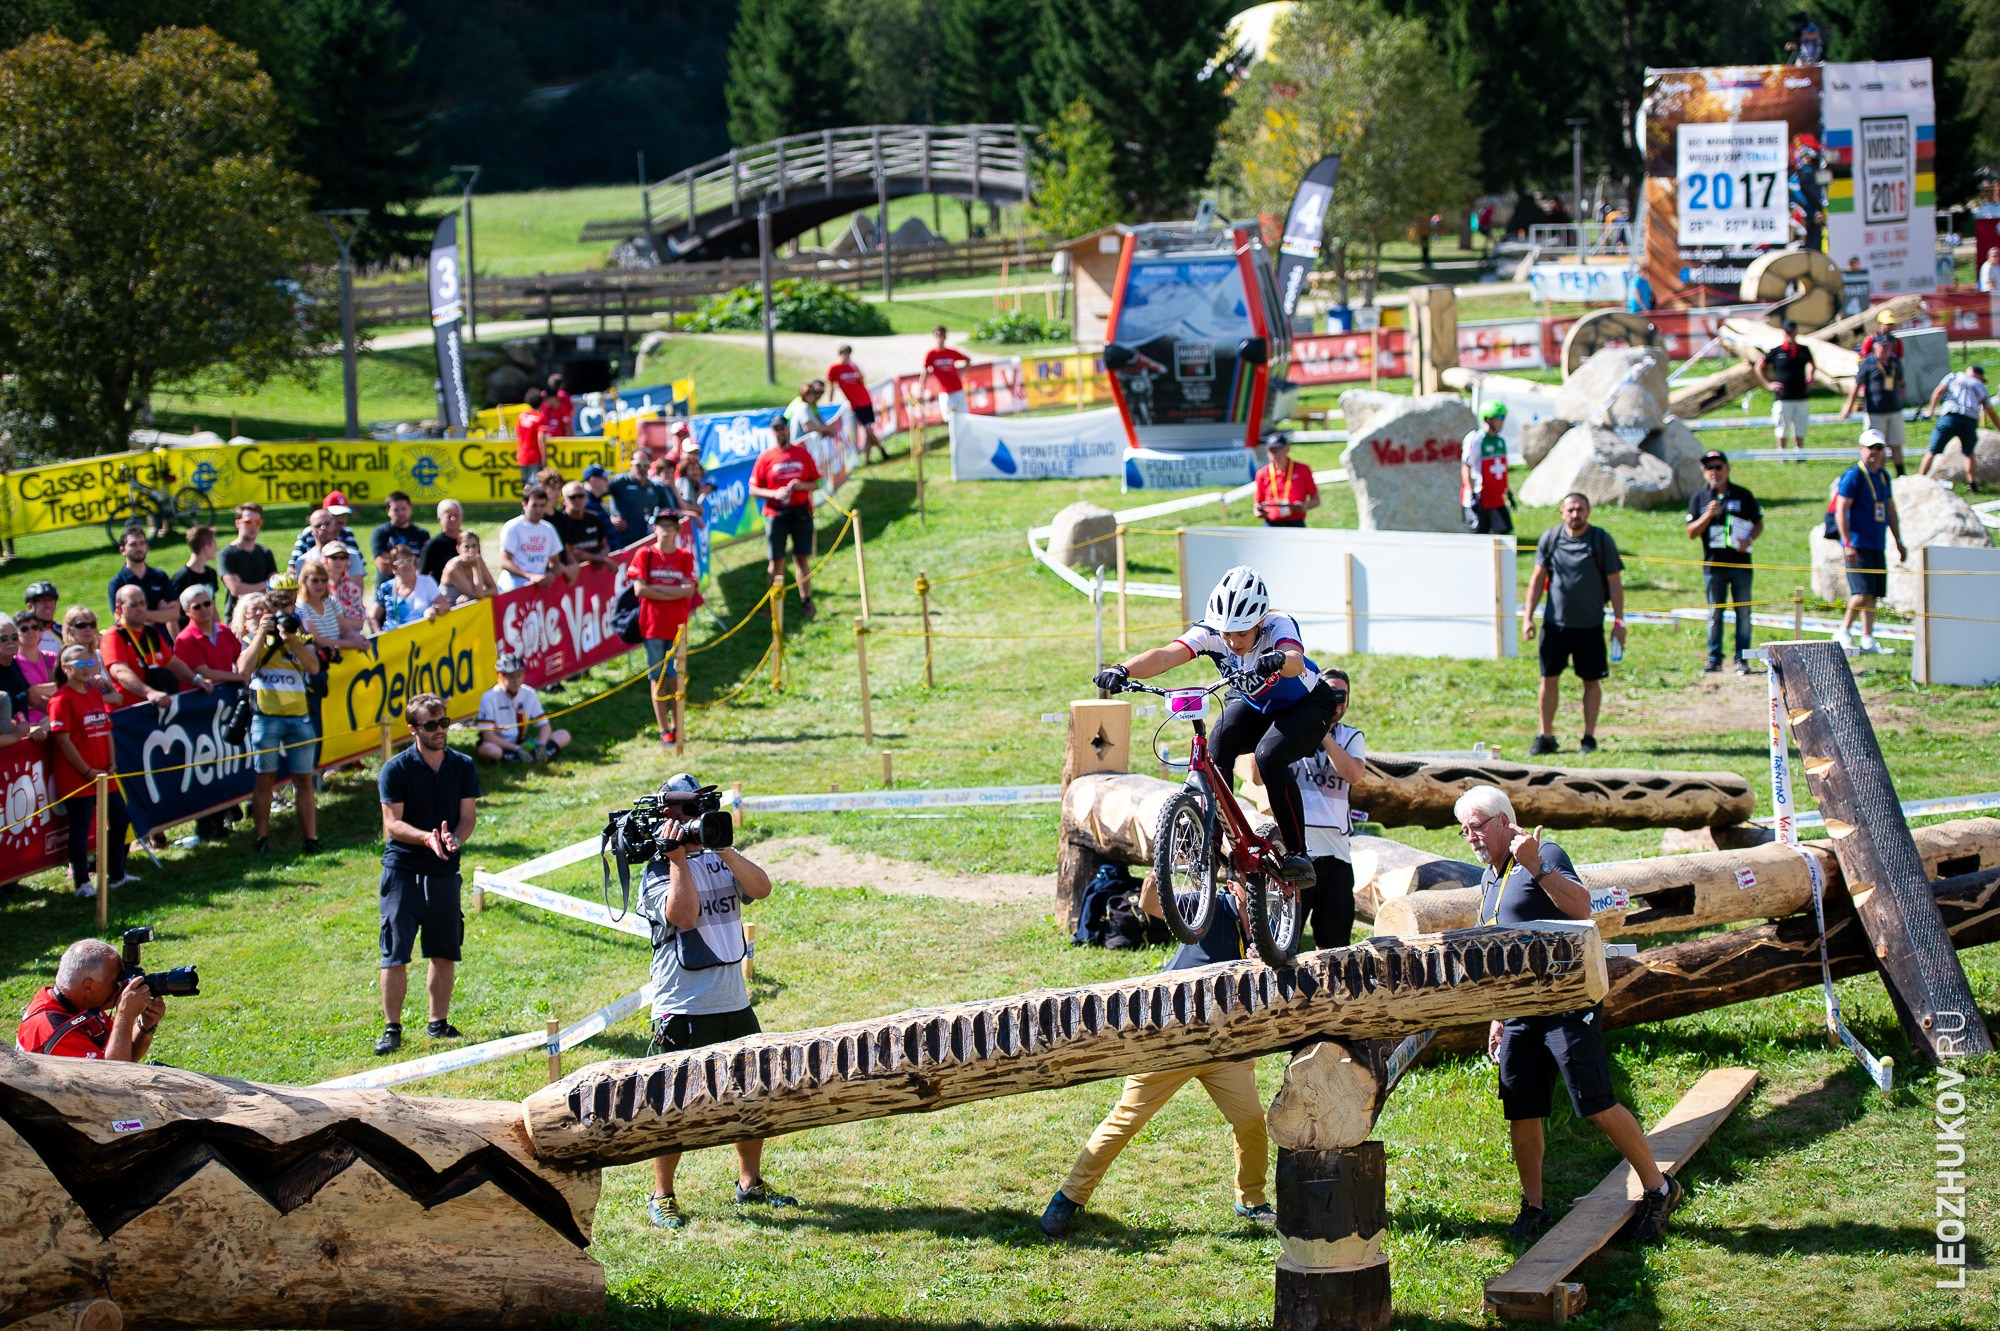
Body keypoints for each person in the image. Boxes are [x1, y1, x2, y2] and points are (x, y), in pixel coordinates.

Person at [1455, 785, 1683, 1245]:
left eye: (1476, 826)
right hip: (1520, 1010)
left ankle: (1659, 1189)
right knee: (1522, 1108)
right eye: (1463, 831)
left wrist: (1535, 864)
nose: (1470, 837)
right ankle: (1534, 1206)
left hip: (1566, 1004)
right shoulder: (1489, 878)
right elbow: (1498, 950)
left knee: (1595, 1101)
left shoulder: (1544, 852)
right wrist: (1497, 1016)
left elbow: (1582, 908)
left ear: (1503, 821)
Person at [1040, 881, 1274, 1239]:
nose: (1264, 893)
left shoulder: (1273, 926)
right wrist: (1162, 861)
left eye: (1269, 884)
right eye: (1255, 884)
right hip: (1171, 1036)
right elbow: (1151, 902)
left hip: (1224, 1046)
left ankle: (1252, 1200)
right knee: (1126, 1119)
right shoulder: (1206, 905)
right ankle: (1068, 1197)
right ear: (1234, 885)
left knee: (1252, 1121)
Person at [1095, 566, 1337, 885]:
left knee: (1269, 756)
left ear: (1260, 622)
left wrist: (1279, 660)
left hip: (1306, 705)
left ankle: (1297, 853)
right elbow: (1166, 656)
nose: (1233, 641)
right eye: (1227, 634)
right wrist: (1123, 670)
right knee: (1219, 742)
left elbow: (1293, 658)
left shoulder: (1279, 624)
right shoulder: (1212, 631)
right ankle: (1210, 842)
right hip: (1255, 703)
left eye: (1242, 633)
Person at [634, 772, 793, 1229]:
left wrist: (722, 846)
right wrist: (679, 859)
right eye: (688, 810)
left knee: (754, 1093)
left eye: (701, 808)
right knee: (674, 1106)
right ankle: (662, 1194)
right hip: (682, 1006)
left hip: (733, 1002)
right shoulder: (658, 869)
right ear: (668, 814)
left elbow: (761, 888)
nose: (696, 818)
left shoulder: (722, 857)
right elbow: (683, 916)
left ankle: (750, 1184)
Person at [376, 693, 479, 1055]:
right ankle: (392, 1028)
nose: (440, 730)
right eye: (431, 725)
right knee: (395, 952)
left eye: (444, 723)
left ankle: (438, 1022)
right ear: (412, 729)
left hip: (444, 871)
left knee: (444, 950)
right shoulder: (396, 769)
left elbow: (468, 817)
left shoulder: (463, 765)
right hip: (402, 870)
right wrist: (426, 838)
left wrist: (455, 838)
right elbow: (392, 824)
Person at [1522, 494, 1624, 757]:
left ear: (1588, 511)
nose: (1575, 514)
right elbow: (1537, 580)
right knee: (1548, 680)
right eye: (1570, 510)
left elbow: (1614, 582)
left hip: (1589, 626)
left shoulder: (1601, 540)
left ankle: (1588, 738)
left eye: (1580, 509)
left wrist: (1619, 621)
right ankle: (1545, 736)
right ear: (1561, 513)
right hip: (1555, 626)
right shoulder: (1551, 539)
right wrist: (1528, 617)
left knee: (1591, 681)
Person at [235, 573, 321, 856]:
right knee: (265, 779)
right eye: (278, 600)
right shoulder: (253, 635)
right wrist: (262, 633)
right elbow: (243, 669)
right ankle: (261, 838)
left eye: (289, 598)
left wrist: (292, 640)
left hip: (298, 715)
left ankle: (311, 839)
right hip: (266, 716)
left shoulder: (300, 633)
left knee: (304, 779)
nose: (284, 605)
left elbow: (314, 668)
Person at [47, 645, 135, 897]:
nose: (87, 670)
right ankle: (83, 884)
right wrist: (86, 771)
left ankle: (116, 874)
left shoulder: (94, 694)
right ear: (66, 668)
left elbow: (106, 728)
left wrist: (112, 762)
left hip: (105, 773)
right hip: (80, 777)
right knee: (81, 828)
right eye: (80, 665)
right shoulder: (61, 699)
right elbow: (63, 740)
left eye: (90, 664)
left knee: (120, 818)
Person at [1288, 668, 1364, 950]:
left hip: (1337, 856)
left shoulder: (1350, 736)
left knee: (1335, 947)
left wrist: (1323, 731)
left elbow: (1353, 774)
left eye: (1340, 696)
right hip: (1297, 852)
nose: (1335, 701)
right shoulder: (1290, 729)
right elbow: (1255, 775)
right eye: (1328, 693)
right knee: (1288, 943)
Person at [172, 584, 247, 843]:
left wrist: (241, 673)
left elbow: (240, 656)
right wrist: (239, 677)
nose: (205, 609)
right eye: (197, 606)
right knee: (207, 766)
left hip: (227, 708)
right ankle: (206, 824)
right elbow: (206, 672)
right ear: (186, 611)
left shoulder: (224, 632)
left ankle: (228, 810)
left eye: (207, 603)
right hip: (201, 713)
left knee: (229, 759)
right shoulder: (186, 639)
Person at [14, 939, 165, 1061]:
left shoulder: (76, 1003)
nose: (122, 987)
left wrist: (145, 1026)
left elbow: (124, 1053)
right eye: (116, 981)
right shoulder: (56, 1032)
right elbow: (114, 1082)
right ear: (88, 986)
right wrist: (124, 1015)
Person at [1685, 451, 1764, 675]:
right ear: (1704, 472)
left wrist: (1748, 539)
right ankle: (1714, 659)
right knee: (1714, 614)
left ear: (1727, 469)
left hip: (1740, 565)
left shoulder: (1743, 494)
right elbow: (1691, 532)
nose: (1714, 472)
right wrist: (1707, 516)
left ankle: (1742, 660)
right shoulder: (1699, 498)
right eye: (1709, 468)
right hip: (1713, 566)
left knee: (1744, 614)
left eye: (1718, 467)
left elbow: (1758, 522)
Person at [627, 510, 700, 746]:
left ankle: (679, 727)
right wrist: (675, 592)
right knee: (657, 677)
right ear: (654, 529)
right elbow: (640, 590)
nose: (665, 530)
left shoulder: (685, 556)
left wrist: (658, 591)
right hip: (652, 626)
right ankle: (663, 730)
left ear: (677, 530)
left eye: (670, 525)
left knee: (676, 677)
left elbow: (689, 591)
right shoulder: (644, 555)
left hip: (678, 626)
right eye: (661, 525)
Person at [1832, 429, 1907, 655]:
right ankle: (1843, 631)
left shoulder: (1884, 476)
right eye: (1870, 447)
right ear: (1861, 449)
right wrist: (1847, 543)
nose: (1874, 452)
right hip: (1858, 543)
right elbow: (1841, 510)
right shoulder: (1854, 475)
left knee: (1873, 594)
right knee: (1861, 593)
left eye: (1879, 448)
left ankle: (1868, 637)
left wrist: (1898, 540)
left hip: (1877, 543)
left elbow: (1890, 510)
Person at [748, 414, 821, 621]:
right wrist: (774, 494)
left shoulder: (802, 453)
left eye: (783, 428)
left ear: (788, 429)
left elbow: (817, 483)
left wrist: (800, 486)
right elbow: (753, 489)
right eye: (776, 429)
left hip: (801, 512)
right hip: (776, 514)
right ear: (773, 432)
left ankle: (806, 601)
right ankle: (772, 606)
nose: (780, 432)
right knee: (776, 561)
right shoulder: (765, 458)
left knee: (801, 559)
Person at [103, 584, 202, 709]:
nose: (140, 608)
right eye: (133, 605)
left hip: (157, 707)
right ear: (119, 609)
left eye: (142, 603)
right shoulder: (113, 636)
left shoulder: (151, 632)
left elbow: (172, 663)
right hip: (129, 713)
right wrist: (149, 692)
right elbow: (119, 671)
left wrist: (196, 680)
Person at [475, 652, 569, 762]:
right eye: (510, 677)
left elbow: (544, 726)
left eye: (519, 676)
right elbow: (488, 736)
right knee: (489, 750)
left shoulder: (529, 693)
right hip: (498, 745)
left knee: (564, 735)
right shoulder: (488, 698)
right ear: (500, 676)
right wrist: (517, 748)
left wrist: (541, 745)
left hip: (521, 743)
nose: (515, 681)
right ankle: (523, 756)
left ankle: (534, 755)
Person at [1842, 325, 1909, 475]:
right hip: (1875, 411)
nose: (1886, 350)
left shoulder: (1895, 361)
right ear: (1876, 347)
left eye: (1889, 347)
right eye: (1883, 347)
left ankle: (1901, 474)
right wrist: (1849, 405)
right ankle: (1879, 474)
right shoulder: (1867, 362)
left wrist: (1903, 395)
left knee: (1896, 443)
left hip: (1894, 409)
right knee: (1878, 446)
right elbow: (1857, 385)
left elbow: (1901, 381)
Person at [1921, 364, 1999, 493]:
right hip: (1969, 421)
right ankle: (1972, 485)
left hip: (1949, 417)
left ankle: (1919, 480)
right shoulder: (1981, 387)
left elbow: (1938, 391)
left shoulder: (1953, 377)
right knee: (1969, 454)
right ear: (1978, 375)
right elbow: (1990, 412)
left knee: (1932, 451)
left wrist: (1930, 411)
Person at [1756, 320, 1820, 453]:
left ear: (1796, 332)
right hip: (1783, 396)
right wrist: (1768, 384)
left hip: (1801, 395)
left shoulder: (1803, 350)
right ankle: (1782, 454)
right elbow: (1759, 366)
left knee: (1800, 426)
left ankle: (1799, 453)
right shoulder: (1776, 351)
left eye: (1792, 331)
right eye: (1787, 332)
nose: (1790, 335)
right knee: (1782, 426)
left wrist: (1810, 377)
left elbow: (1812, 363)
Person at [106, 528, 178, 630]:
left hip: (163, 641)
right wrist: (160, 614)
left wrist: (138, 615)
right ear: (122, 550)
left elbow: (174, 614)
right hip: (137, 642)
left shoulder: (159, 576)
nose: (139, 548)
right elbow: (121, 619)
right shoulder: (117, 583)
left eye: (142, 543)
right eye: (133, 544)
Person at [1461, 402, 1514, 535]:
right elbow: (1466, 467)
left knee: (1504, 529)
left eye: (1504, 417)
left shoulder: (1500, 441)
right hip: (1479, 496)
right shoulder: (1476, 440)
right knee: (1480, 534)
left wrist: (1508, 492)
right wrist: (1472, 494)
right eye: (1500, 417)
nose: (1503, 421)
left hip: (1495, 498)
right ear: (1488, 419)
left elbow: (1501, 470)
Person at [498, 486, 564, 591]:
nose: (538, 510)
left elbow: (555, 562)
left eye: (542, 505)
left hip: (539, 587)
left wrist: (551, 574)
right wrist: (530, 576)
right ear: (524, 505)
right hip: (514, 587)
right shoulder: (513, 527)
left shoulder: (549, 529)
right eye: (534, 505)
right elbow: (504, 561)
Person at [370, 545, 448, 633]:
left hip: (422, 636)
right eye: (401, 562)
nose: (406, 564)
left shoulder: (427, 582)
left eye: (409, 560)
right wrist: (379, 638)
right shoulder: (386, 588)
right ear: (393, 568)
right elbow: (373, 617)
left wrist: (434, 609)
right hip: (393, 639)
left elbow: (444, 604)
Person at [297, 558, 368, 654]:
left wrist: (358, 639)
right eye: (315, 580)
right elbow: (315, 639)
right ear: (304, 582)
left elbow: (345, 630)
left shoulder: (332, 602)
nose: (320, 584)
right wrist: (351, 644)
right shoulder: (300, 607)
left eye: (324, 580)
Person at [829, 344, 885, 462]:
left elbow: (862, 381)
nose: (846, 357)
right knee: (868, 429)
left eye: (848, 354)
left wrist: (860, 376)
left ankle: (868, 459)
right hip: (856, 404)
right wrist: (830, 402)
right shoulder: (834, 368)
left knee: (868, 429)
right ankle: (882, 450)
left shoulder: (853, 366)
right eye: (844, 354)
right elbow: (832, 386)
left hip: (866, 400)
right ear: (840, 355)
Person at [219, 503, 277, 614]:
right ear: (238, 523)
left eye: (257, 522)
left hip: (263, 614)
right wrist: (266, 585)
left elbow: (275, 586)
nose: (253, 526)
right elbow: (236, 589)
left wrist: (247, 587)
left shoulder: (265, 553)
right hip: (237, 616)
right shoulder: (227, 554)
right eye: (248, 522)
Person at [1253, 433, 1319, 527]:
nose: (1275, 455)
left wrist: (1305, 506)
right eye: (1272, 451)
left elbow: (1316, 499)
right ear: (1267, 453)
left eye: (1278, 450)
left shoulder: (1302, 470)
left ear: (1287, 448)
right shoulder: (1262, 474)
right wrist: (1258, 512)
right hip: (1271, 524)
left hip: (1295, 523)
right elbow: (1257, 504)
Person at [59, 606, 120, 707]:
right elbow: (70, 698)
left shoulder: (99, 654)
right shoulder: (66, 659)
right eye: (81, 625)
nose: (88, 629)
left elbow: (118, 698)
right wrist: (104, 698)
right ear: (70, 629)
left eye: (92, 625)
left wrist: (106, 684)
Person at [552, 482, 616, 573]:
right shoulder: (560, 522)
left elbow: (605, 546)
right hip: (573, 575)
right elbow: (573, 553)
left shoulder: (594, 518)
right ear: (564, 501)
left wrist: (600, 558)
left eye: (581, 496)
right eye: (572, 497)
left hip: (595, 573)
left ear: (585, 498)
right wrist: (601, 560)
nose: (577, 500)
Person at [607, 445, 671, 537]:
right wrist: (610, 519)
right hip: (623, 540)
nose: (642, 468)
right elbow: (594, 497)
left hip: (646, 539)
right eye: (638, 465)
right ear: (630, 465)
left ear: (649, 466)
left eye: (645, 465)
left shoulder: (655, 487)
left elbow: (667, 511)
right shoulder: (620, 482)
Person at [371, 492, 430, 584]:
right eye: (396, 510)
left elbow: (426, 565)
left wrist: (395, 561)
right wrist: (413, 561)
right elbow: (383, 566)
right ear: (388, 511)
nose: (401, 513)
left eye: (404, 509)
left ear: (410, 509)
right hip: (388, 586)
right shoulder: (381, 533)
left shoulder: (422, 534)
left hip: (416, 586)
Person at [920, 324, 972, 415]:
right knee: (949, 417)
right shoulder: (931, 354)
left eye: (942, 334)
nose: (940, 337)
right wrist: (922, 389)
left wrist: (962, 371)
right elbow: (925, 371)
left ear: (945, 336)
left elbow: (967, 359)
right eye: (937, 334)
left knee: (963, 416)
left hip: (958, 389)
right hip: (944, 392)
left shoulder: (952, 352)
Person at [440, 530, 499, 607]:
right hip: (449, 612)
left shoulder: (478, 560)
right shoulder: (452, 568)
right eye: (466, 547)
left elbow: (494, 589)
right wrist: (475, 566)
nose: (471, 550)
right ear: (458, 549)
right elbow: (478, 595)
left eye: (474, 546)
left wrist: (479, 594)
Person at [169, 525, 221, 607]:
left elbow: (212, 607)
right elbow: (174, 610)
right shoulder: (181, 578)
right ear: (205, 548)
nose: (217, 548)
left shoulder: (211, 573)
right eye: (214, 544)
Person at [783, 378, 840, 448]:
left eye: (819, 392)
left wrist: (827, 429)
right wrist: (828, 429)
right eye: (808, 393)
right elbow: (808, 427)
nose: (814, 395)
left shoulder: (812, 404)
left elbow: (819, 421)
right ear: (803, 394)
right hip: (792, 434)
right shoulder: (802, 406)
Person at [421, 500, 465, 582]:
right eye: (449, 516)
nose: (453, 519)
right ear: (439, 519)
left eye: (456, 515)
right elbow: (422, 575)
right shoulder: (432, 545)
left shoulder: (469, 541)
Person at [516, 388, 548, 489]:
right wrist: (544, 458)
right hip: (534, 456)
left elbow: (516, 432)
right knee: (535, 487)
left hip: (521, 456)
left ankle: (526, 504)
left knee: (526, 485)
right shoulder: (540, 417)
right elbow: (541, 437)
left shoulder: (522, 415)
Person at [24, 581, 63, 657]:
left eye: (51, 600)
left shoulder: (62, 632)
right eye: (43, 601)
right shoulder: (21, 633)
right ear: (30, 606)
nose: (48, 605)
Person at [580, 464, 619, 536]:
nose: (608, 481)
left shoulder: (594, 501)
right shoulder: (585, 503)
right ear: (593, 480)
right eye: (604, 478)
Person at [545, 373, 575, 437]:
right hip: (563, 431)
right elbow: (572, 413)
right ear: (561, 385)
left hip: (553, 432)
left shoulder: (544, 396)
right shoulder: (564, 395)